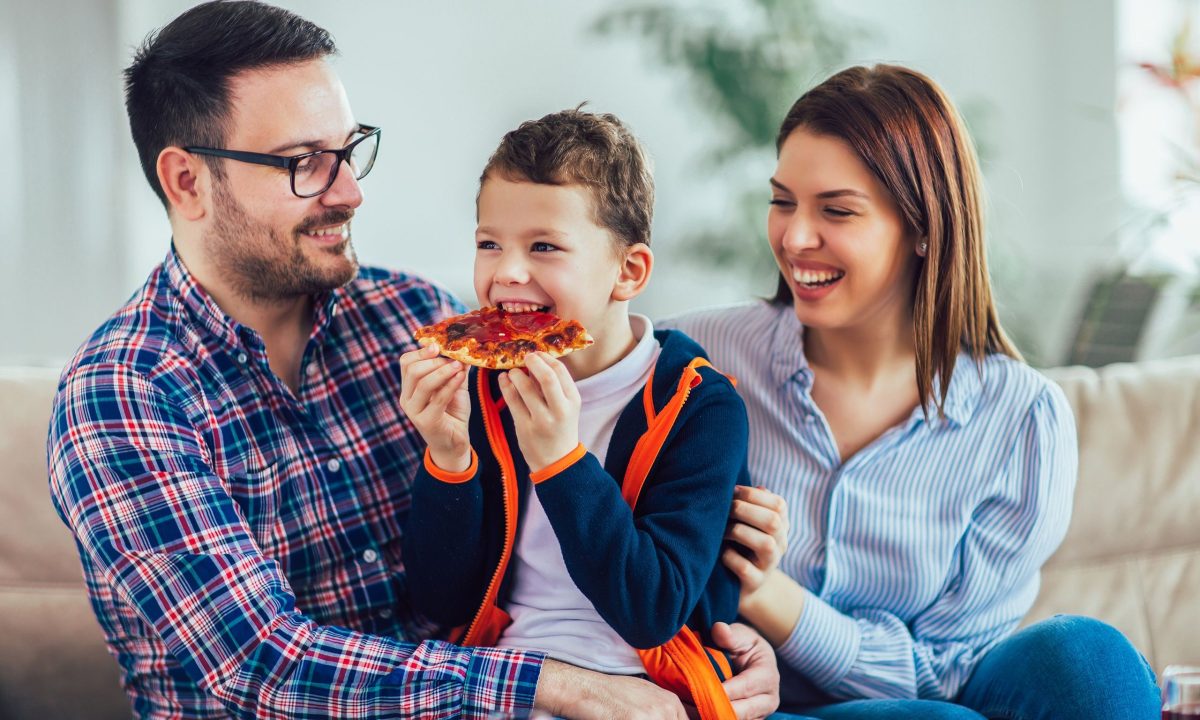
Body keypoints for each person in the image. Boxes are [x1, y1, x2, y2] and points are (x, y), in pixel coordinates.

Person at [44, 2, 779, 718]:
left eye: (349, 151)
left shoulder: (415, 317)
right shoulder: (122, 395)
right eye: (305, 163)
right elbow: (264, 665)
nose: (351, 192)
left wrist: (724, 619)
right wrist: (562, 686)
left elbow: (626, 485)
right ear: (187, 181)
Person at [664, 64, 1161, 719]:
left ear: (924, 227)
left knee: (1091, 662)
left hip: (927, 701)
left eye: (837, 210)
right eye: (783, 201)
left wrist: (768, 595)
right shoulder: (693, 358)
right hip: (734, 700)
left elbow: (940, 672)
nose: (794, 237)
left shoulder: (1022, 419)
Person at [399, 108, 749, 718]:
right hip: (503, 682)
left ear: (628, 272)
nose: (508, 271)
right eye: (489, 244)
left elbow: (653, 610)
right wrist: (448, 460)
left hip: (650, 688)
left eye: (545, 246)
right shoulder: (482, 390)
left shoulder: (701, 407)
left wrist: (561, 461)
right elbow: (441, 602)